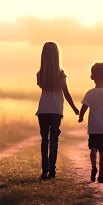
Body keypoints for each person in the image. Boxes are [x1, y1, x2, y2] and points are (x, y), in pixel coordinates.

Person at [36, 41, 79, 180]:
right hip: (56, 111)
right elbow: (66, 93)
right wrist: (74, 108)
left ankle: (44, 170)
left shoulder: (40, 74)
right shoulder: (61, 75)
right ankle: (52, 171)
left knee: (44, 140)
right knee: (54, 141)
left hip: (42, 110)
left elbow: (41, 86)